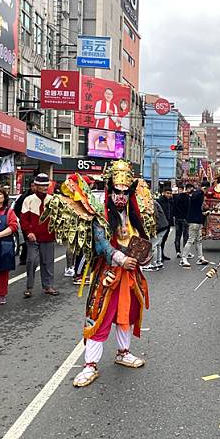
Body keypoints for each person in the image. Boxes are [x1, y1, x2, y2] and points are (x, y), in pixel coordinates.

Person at [50, 161, 151, 387]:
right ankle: (90, 365)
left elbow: (141, 241)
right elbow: (101, 245)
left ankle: (123, 352)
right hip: (108, 275)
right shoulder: (100, 216)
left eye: (126, 193)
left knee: (127, 314)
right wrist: (121, 259)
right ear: (110, 190)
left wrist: (143, 256)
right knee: (99, 317)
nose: (121, 197)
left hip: (130, 275)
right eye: (117, 192)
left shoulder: (134, 216)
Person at [20, 173, 58, 297]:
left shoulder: (52, 200)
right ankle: (29, 287)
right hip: (33, 237)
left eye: (46, 185)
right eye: (42, 186)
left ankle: (48, 286)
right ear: (35, 186)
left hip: (48, 236)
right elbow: (24, 219)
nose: (45, 188)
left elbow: (57, 218)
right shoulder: (28, 199)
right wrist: (28, 232)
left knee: (48, 262)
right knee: (31, 261)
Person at [180, 181, 209, 268]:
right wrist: (200, 191)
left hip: (199, 220)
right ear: (205, 188)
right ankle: (183, 259)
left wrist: (204, 213)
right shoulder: (198, 194)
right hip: (194, 221)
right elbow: (192, 199)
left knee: (199, 240)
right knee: (191, 240)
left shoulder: (199, 195)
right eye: (207, 189)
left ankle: (200, 258)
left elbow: (197, 208)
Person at [14, 180, 37, 266]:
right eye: (32, 186)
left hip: (37, 223)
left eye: (35, 185)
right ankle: (24, 259)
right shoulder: (24, 197)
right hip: (26, 222)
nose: (34, 188)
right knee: (26, 242)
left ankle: (33, 258)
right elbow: (17, 209)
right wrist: (22, 218)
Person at [143, 198, 169, 271]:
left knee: (152, 245)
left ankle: (151, 264)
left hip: (160, 226)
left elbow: (155, 215)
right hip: (163, 225)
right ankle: (158, 262)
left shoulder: (151, 202)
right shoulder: (153, 201)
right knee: (158, 245)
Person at [173, 184, 191, 258]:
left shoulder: (176, 197)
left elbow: (173, 207)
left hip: (177, 218)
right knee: (185, 235)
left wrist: (175, 216)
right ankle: (185, 251)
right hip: (185, 218)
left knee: (178, 235)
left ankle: (177, 252)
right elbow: (188, 208)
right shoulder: (187, 197)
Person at [157, 187, 174, 261]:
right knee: (160, 240)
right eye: (167, 193)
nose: (169, 195)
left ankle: (162, 254)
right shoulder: (160, 201)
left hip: (168, 222)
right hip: (161, 223)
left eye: (170, 193)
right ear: (163, 193)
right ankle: (159, 256)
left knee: (164, 240)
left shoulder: (170, 201)